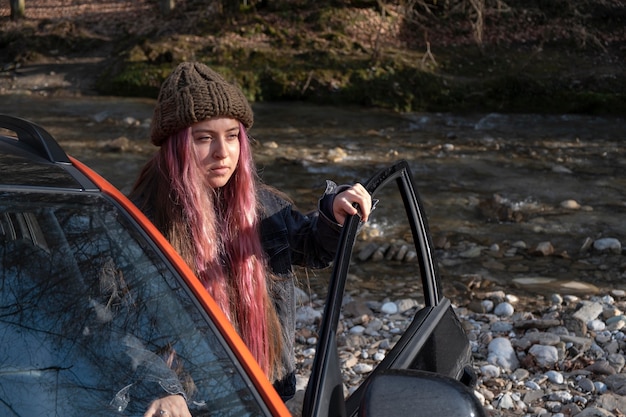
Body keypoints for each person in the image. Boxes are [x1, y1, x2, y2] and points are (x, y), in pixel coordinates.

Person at [129, 61, 372, 417]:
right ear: (175, 146)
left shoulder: (263, 208)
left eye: (231, 136)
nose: (222, 153)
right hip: (187, 407)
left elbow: (314, 247)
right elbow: (112, 325)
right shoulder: (138, 223)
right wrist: (161, 388)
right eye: (203, 138)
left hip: (264, 397)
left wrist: (333, 214)